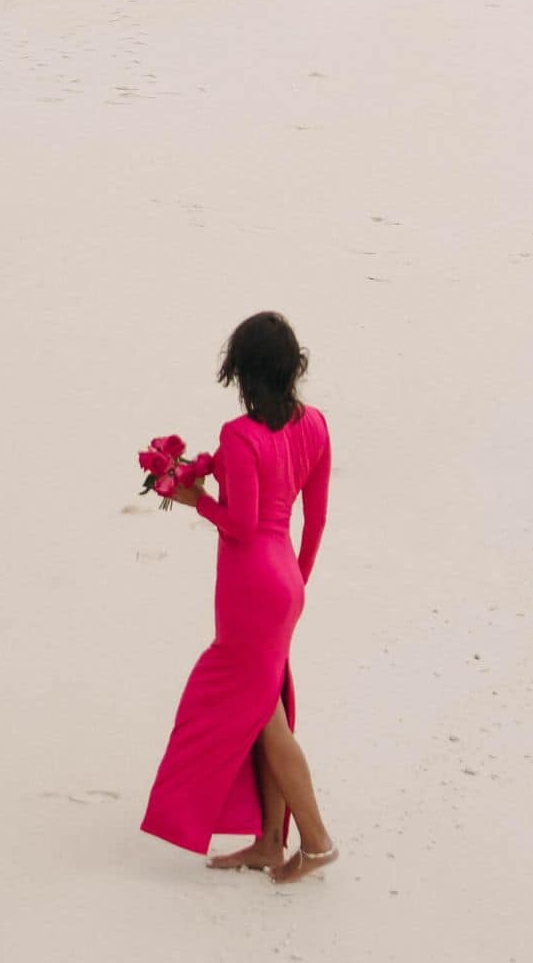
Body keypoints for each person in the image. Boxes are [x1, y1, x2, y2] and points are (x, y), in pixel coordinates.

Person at [139, 311, 338, 883]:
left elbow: (243, 525)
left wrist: (193, 495)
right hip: (285, 581)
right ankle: (270, 843)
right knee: (262, 706)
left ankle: (317, 841)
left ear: (245, 373)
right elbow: (317, 516)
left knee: (257, 716)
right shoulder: (316, 425)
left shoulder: (241, 435)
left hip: (251, 585)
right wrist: (296, 581)